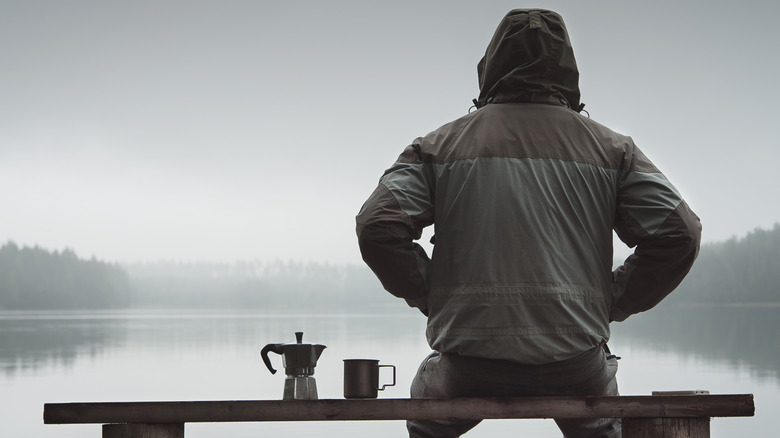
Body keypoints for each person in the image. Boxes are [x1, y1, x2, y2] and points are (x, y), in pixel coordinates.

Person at [355, 8, 701, 438]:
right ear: (568, 69)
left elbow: (377, 226)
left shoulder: (437, 147)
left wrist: (430, 293)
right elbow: (679, 234)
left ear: (492, 65)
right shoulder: (614, 150)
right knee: (599, 421)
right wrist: (612, 301)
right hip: (576, 361)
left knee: (428, 418)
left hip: (469, 364)